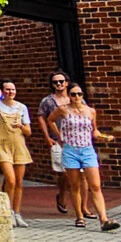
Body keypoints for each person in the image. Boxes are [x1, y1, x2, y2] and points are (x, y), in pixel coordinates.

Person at [57, 83, 118, 231]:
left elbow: (94, 130)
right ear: (69, 96)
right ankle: (79, 216)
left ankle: (103, 219)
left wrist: (103, 137)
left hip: (87, 150)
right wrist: (60, 136)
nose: (76, 97)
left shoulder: (90, 111)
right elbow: (50, 120)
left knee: (95, 186)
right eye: (73, 94)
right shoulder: (63, 110)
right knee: (75, 185)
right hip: (70, 150)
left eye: (79, 94)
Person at [0, 80, 32, 228]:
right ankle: (8, 211)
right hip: (2, 146)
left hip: (18, 146)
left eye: (12, 89)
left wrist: (20, 125)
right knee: (10, 180)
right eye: (7, 90)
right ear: (2, 91)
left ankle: (17, 212)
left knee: (19, 181)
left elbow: (28, 131)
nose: (10, 92)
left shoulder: (22, 108)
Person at [34, 71, 74, 216]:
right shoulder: (48, 101)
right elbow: (41, 117)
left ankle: (82, 208)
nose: (59, 84)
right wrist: (47, 137)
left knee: (79, 173)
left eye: (61, 81)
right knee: (64, 173)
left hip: (75, 140)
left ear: (66, 83)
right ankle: (62, 195)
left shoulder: (74, 98)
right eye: (55, 82)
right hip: (57, 140)